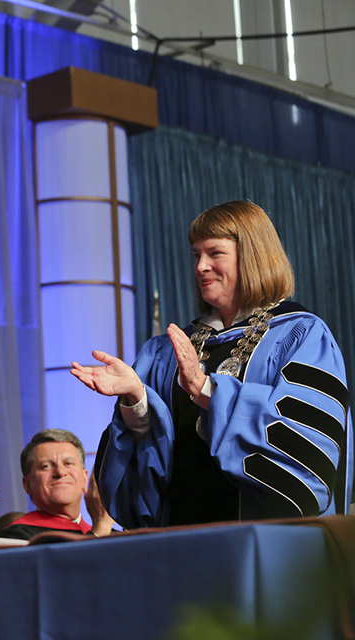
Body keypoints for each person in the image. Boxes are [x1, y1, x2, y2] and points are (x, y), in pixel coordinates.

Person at [72, 201, 353, 528]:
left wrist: (206, 390)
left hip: (267, 544)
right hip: (182, 541)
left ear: (252, 257)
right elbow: (144, 474)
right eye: (196, 255)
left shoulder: (300, 336)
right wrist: (137, 399)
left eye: (215, 253)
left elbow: (302, 444)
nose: (201, 266)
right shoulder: (167, 351)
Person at [0, 429, 114, 540]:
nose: (60, 472)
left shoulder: (115, 537)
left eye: (68, 463)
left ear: (84, 477)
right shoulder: (15, 537)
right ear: (27, 484)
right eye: (46, 466)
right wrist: (101, 529)